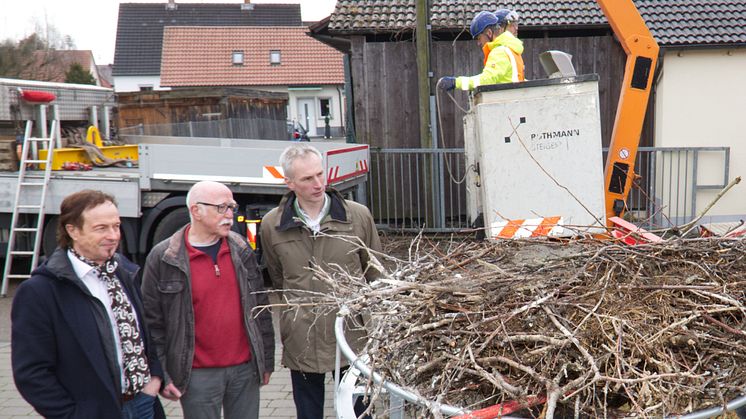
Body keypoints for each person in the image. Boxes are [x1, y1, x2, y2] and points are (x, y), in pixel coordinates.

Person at [11, 190, 165, 419]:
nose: (113, 235)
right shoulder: (40, 292)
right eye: (101, 228)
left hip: (143, 403)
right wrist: (72, 414)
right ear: (72, 230)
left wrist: (155, 377)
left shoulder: (122, 271)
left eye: (116, 226)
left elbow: (141, 331)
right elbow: (31, 373)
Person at [260, 143, 382, 419]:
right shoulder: (272, 225)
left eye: (320, 174)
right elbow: (279, 278)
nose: (318, 184)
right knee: (308, 412)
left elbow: (375, 271)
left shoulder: (357, 216)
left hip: (349, 335)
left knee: (359, 412)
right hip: (302, 337)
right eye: (307, 179)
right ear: (289, 182)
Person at [141, 180, 274, 419]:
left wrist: (267, 361)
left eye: (231, 207)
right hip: (196, 375)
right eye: (221, 208)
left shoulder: (241, 249)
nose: (230, 215)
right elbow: (153, 324)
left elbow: (260, 307)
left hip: (244, 370)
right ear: (196, 211)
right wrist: (163, 374)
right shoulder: (164, 258)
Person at [439, 10, 525, 91]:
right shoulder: (510, 49)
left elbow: (486, 81)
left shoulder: (499, 52)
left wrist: (456, 82)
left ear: (489, 33)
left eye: (479, 38)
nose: (478, 43)